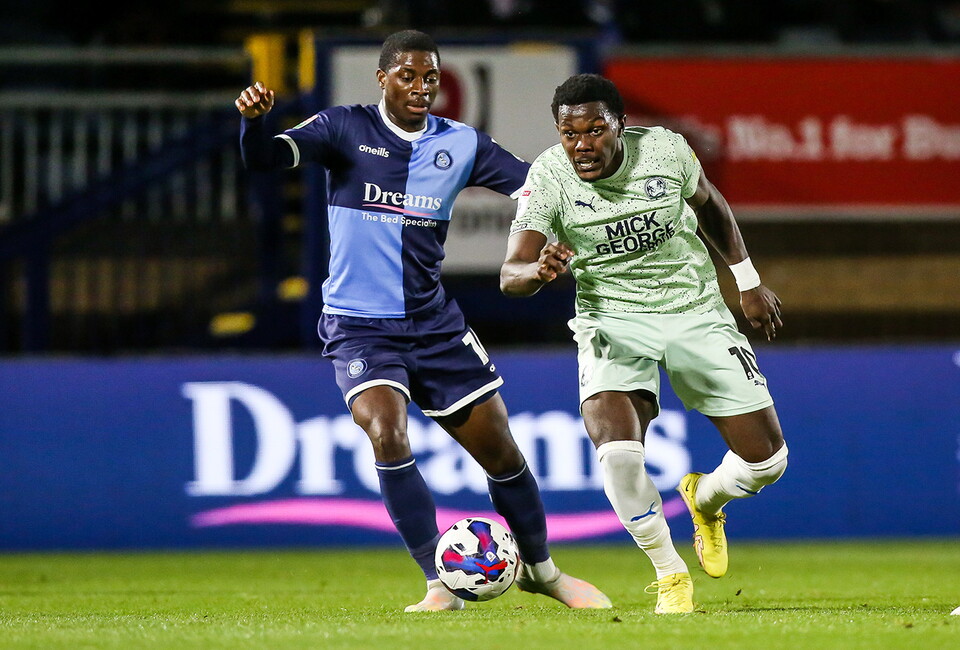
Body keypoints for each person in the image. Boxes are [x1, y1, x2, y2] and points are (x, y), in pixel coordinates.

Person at [234, 31, 611, 612]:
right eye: (407, 76)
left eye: (430, 77)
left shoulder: (461, 143)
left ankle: (542, 571)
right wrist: (255, 123)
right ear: (382, 78)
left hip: (435, 326)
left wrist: (563, 231)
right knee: (387, 433)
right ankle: (440, 583)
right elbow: (264, 159)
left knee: (502, 454)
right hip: (359, 326)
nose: (420, 87)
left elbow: (538, 186)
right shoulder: (343, 128)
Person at [500, 73, 788, 614]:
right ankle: (670, 573)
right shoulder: (549, 177)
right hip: (612, 322)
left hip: (694, 309)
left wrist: (746, 282)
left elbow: (712, 208)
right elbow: (509, 273)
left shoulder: (664, 150)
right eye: (569, 133)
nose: (582, 144)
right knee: (618, 455)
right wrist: (537, 271)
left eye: (594, 130)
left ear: (620, 125)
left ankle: (704, 499)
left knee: (768, 462)